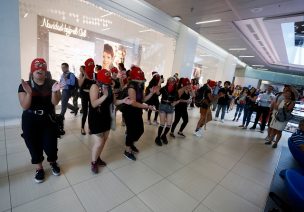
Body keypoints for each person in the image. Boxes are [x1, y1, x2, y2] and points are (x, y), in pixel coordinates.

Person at [18, 58, 63, 183]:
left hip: (48, 119)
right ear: (32, 70)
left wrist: (54, 92)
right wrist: (28, 93)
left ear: (46, 71)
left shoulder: (52, 83)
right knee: (33, 144)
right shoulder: (24, 85)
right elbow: (25, 106)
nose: (40, 69)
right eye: (37, 67)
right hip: (30, 120)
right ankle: (39, 168)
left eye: (43, 67)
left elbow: (55, 102)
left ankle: (53, 162)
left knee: (51, 144)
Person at [89, 67, 133, 173]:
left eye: (108, 82)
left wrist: (123, 100)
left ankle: (98, 157)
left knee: (104, 140)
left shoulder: (109, 87)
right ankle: (93, 162)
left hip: (106, 117)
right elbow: (94, 104)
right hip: (95, 118)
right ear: (99, 80)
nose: (107, 83)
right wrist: (104, 96)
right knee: (99, 141)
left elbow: (113, 102)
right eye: (105, 81)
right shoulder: (94, 87)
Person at [121, 65, 156, 160]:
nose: (142, 80)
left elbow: (143, 99)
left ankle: (131, 144)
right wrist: (147, 106)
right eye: (140, 79)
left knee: (140, 130)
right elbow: (134, 103)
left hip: (137, 111)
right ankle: (127, 150)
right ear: (135, 79)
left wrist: (151, 93)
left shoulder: (139, 86)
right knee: (131, 131)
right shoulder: (131, 87)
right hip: (129, 111)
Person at [155, 77, 180, 146]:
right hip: (162, 106)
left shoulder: (176, 90)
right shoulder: (163, 88)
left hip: (170, 107)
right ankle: (158, 138)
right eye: (170, 81)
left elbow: (178, 100)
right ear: (168, 81)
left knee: (169, 124)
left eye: (173, 81)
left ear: (175, 82)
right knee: (162, 124)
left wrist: (174, 103)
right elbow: (157, 93)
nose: (171, 83)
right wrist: (159, 83)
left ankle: (164, 135)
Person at [78, 60, 95, 135]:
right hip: (84, 95)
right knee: (85, 112)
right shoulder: (82, 74)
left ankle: (90, 128)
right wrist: (84, 75)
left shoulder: (94, 74)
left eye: (92, 64)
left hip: (92, 95)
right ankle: (82, 128)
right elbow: (80, 84)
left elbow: (95, 82)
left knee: (91, 112)